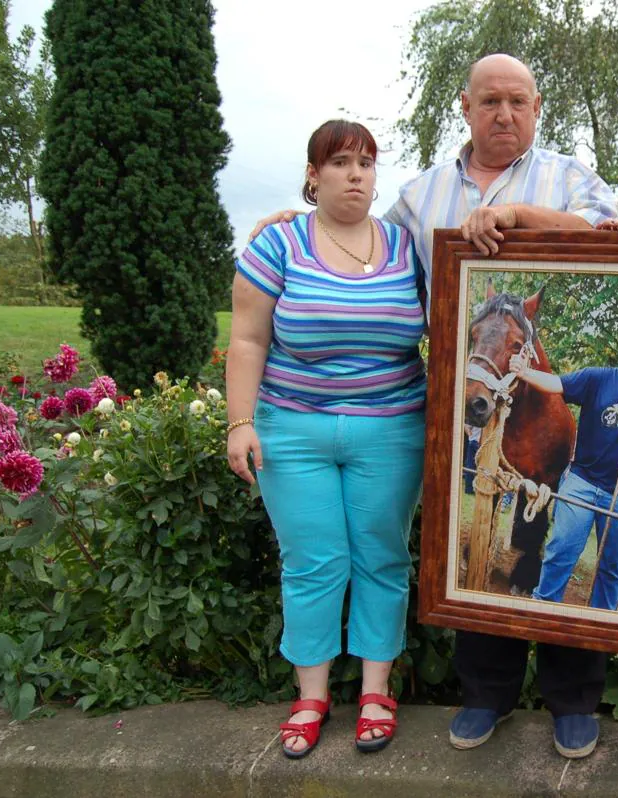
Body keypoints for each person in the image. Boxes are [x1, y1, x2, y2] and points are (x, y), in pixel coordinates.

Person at [249, 55, 618, 760]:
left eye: (517, 101)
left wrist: (514, 216)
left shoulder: (569, 177)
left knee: (557, 530)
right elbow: (359, 238)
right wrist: (293, 224)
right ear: (465, 106)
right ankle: (486, 693)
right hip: (458, 404)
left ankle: (574, 699)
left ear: (537, 107)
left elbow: (609, 230)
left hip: (530, 395)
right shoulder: (419, 199)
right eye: (489, 102)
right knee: (473, 540)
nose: (504, 114)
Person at [226, 119, 426, 759]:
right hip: (294, 430)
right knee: (314, 563)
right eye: (340, 162)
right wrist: (240, 422)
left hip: (391, 430)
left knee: (382, 558)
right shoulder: (278, 244)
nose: (355, 174)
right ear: (314, 175)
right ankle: (311, 696)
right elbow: (248, 340)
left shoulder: (405, 246)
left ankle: (374, 692)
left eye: (366, 162)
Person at [508, 320, 618, 610]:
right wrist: (524, 372)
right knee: (561, 551)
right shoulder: (597, 379)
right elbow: (556, 384)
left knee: (612, 568)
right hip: (582, 483)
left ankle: (600, 626)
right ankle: (543, 609)